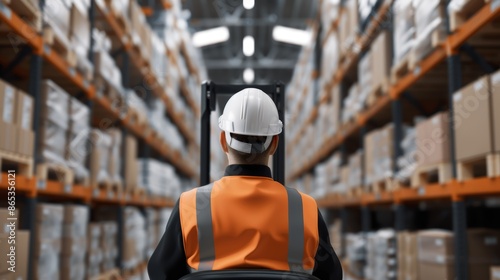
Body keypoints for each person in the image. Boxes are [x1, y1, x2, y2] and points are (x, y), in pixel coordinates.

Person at [148, 88, 343, 280]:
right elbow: (332, 275)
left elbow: (159, 273)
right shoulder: (305, 209)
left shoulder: (189, 206)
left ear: (223, 140)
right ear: (274, 143)